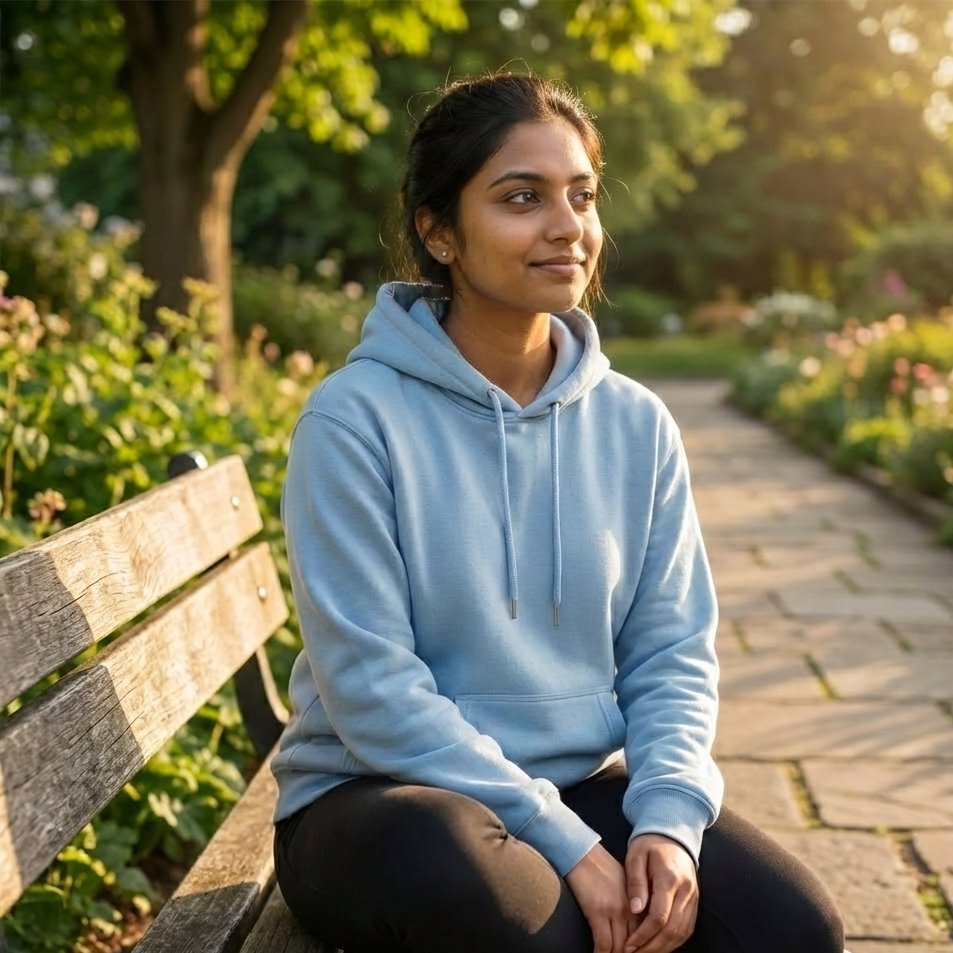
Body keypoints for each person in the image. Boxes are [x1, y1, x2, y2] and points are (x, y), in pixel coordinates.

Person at [271, 72, 846, 953]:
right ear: (439, 233)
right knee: (535, 929)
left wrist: (665, 822)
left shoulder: (634, 423)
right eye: (520, 198)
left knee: (790, 929)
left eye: (580, 195)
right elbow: (372, 692)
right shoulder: (354, 420)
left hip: (573, 784)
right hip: (385, 803)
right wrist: (568, 842)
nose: (565, 225)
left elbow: (671, 652)